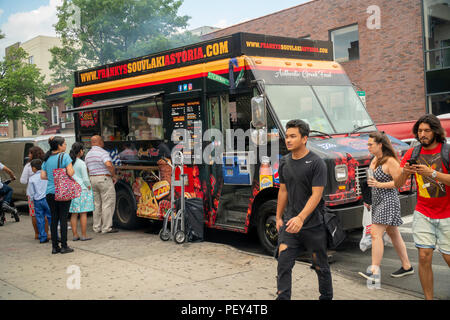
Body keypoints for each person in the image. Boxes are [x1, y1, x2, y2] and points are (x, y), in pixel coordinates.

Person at [394, 114, 450, 300]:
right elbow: (397, 183)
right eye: (419, 131)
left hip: (447, 214)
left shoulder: (447, 151)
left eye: (427, 130)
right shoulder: (413, 154)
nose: (422, 134)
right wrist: (404, 172)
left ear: (436, 131)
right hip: (423, 212)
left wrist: (432, 173)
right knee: (424, 256)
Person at [275, 119, 332, 300]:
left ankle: (326, 297)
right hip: (291, 224)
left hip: (313, 225)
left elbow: (316, 196)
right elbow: (283, 191)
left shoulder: (317, 163)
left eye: (293, 136)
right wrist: (278, 217)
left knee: (320, 266)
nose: (288, 140)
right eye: (287, 136)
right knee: (283, 264)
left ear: (304, 138)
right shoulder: (284, 162)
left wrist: (301, 218)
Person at [358, 131, 414, 282]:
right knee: (394, 234)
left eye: (370, 144)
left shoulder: (390, 161)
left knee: (376, 234)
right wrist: (368, 198)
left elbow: (399, 183)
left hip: (388, 201)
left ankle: (374, 271)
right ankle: (407, 266)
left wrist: (379, 184)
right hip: (377, 201)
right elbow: (372, 180)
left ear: (380, 145)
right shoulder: (375, 159)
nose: (368, 147)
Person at [41, 136, 75, 254]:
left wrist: (52, 177)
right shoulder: (64, 156)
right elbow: (70, 172)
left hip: (50, 192)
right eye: (64, 144)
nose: (66, 146)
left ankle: (55, 247)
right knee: (63, 219)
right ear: (59, 146)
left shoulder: (47, 158)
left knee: (54, 219)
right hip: (63, 191)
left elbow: (43, 176)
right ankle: (64, 246)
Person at [85, 135, 118, 234]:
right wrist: (113, 175)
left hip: (92, 179)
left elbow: (87, 168)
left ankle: (96, 227)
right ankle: (106, 227)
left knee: (97, 204)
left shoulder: (88, 154)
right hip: (103, 179)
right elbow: (108, 164)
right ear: (99, 142)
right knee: (107, 203)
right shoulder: (102, 153)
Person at [20, 146, 49, 240]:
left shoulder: (28, 166)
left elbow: (23, 181)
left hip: (33, 195)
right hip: (46, 194)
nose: (28, 155)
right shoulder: (45, 163)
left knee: (35, 215)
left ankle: (38, 234)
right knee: (47, 214)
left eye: (30, 153)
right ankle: (47, 233)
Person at [69, 142, 94, 241]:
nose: (83, 151)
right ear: (80, 151)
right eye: (83, 150)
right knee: (83, 213)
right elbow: (85, 178)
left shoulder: (69, 162)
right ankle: (84, 235)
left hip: (72, 189)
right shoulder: (81, 163)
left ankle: (75, 235)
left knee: (74, 213)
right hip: (82, 189)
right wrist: (89, 187)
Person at [27, 159, 52, 244]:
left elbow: (30, 193)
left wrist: (32, 200)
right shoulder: (46, 175)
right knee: (51, 217)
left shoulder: (31, 179)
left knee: (40, 219)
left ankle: (42, 237)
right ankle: (54, 235)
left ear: (34, 168)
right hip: (48, 199)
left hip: (37, 201)